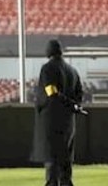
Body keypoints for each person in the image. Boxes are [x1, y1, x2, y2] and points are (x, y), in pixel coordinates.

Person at [32, 39, 83, 186]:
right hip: (69, 122)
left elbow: (51, 92)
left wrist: (66, 103)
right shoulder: (72, 71)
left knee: (52, 157)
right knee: (66, 158)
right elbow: (79, 94)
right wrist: (73, 105)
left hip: (52, 120)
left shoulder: (47, 68)